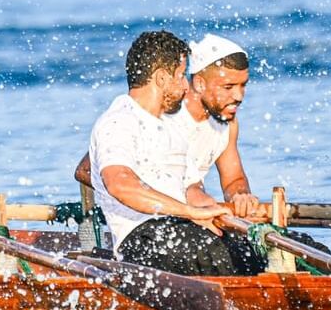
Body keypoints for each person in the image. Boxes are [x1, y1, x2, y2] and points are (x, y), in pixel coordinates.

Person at [86, 30, 236, 276]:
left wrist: (214, 211)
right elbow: (120, 185)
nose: (186, 87)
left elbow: (191, 190)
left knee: (248, 249)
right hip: (140, 240)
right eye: (181, 76)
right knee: (211, 253)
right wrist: (190, 212)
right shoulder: (118, 122)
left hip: (180, 231)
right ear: (161, 78)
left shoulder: (172, 127)